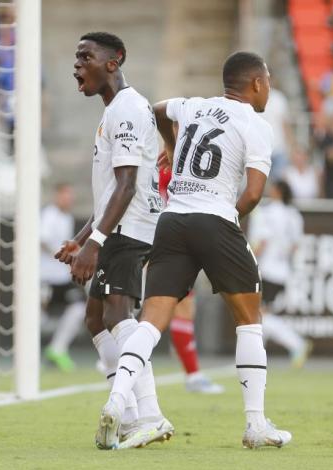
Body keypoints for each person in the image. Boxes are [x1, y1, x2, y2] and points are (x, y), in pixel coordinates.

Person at [97, 52, 292, 450]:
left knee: (150, 322)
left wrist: (169, 145)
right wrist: (229, 218)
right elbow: (253, 193)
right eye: (267, 81)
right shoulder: (256, 124)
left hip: (172, 220)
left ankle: (117, 401)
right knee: (249, 319)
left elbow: (156, 110)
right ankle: (255, 424)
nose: (269, 88)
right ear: (256, 84)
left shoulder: (194, 106)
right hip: (215, 218)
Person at [54, 32, 172, 449]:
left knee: (118, 316)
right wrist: (81, 238)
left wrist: (95, 242)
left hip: (131, 227)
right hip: (118, 226)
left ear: (113, 61)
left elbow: (126, 186)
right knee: (95, 319)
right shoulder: (114, 110)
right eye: (75, 57)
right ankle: (133, 416)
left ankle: (148, 414)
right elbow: (110, 191)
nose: (76, 65)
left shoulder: (126, 109)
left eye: (85, 56)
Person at [158, 166, 224, 394]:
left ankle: (193, 375)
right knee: (152, 313)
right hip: (160, 242)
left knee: (182, 308)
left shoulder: (174, 164)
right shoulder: (167, 168)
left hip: (169, 242)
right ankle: (117, 360)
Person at [248, 181, 311, 368]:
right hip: (282, 271)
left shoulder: (266, 212)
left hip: (266, 269)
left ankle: (297, 344)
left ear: (277, 191)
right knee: (260, 314)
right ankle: (257, 353)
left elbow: (262, 242)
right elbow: (295, 245)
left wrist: (249, 261)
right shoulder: (294, 215)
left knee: (259, 314)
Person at [40, 184, 86, 372]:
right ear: (57, 196)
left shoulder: (67, 218)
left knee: (79, 308)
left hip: (62, 279)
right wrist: (62, 255)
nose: (69, 199)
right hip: (45, 278)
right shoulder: (49, 214)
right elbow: (41, 240)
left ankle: (57, 350)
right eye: (65, 195)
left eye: (71, 196)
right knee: (38, 319)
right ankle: (27, 357)